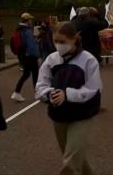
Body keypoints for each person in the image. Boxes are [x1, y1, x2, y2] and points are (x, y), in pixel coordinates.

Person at [35, 22, 102, 175]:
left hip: (82, 114)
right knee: (74, 155)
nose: (58, 45)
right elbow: (41, 85)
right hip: (59, 115)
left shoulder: (88, 60)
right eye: (56, 41)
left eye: (62, 41)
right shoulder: (51, 59)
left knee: (70, 162)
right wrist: (49, 93)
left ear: (74, 39)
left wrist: (68, 94)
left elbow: (93, 88)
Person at [11, 13, 40, 102]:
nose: (31, 21)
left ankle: (16, 92)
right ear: (28, 20)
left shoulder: (19, 30)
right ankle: (37, 94)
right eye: (30, 20)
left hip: (23, 56)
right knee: (35, 74)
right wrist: (37, 55)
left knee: (26, 74)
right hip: (30, 56)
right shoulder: (27, 31)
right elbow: (31, 46)